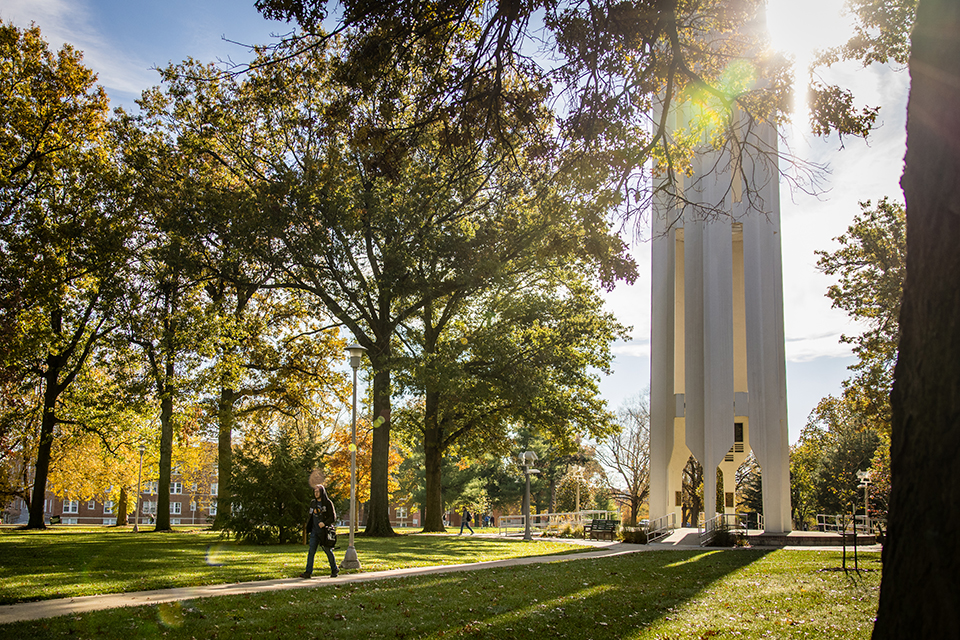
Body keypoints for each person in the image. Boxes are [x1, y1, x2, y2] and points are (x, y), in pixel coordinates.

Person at [301, 484, 339, 578]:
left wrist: (324, 523)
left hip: (324, 532)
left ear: (322, 492)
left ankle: (334, 569)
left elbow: (333, 517)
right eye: (315, 491)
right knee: (311, 551)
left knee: (328, 550)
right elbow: (310, 516)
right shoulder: (313, 503)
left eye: (317, 491)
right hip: (314, 531)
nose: (316, 493)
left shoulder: (327, 503)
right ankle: (308, 572)